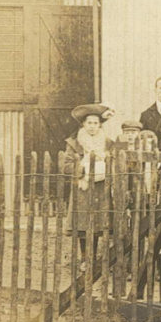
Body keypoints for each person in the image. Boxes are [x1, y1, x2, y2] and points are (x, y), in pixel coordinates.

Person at [63, 103, 115, 268]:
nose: (92, 127)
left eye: (95, 123)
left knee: (99, 223)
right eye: (89, 123)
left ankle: (97, 257)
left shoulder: (107, 142)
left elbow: (117, 160)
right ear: (83, 125)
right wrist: (83, 168)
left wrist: (106, 160)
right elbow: (66, 166)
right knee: (84, 225)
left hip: (101, 187)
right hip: (83, 189)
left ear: (100, 124)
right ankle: (86, 258)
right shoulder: (74, 143)